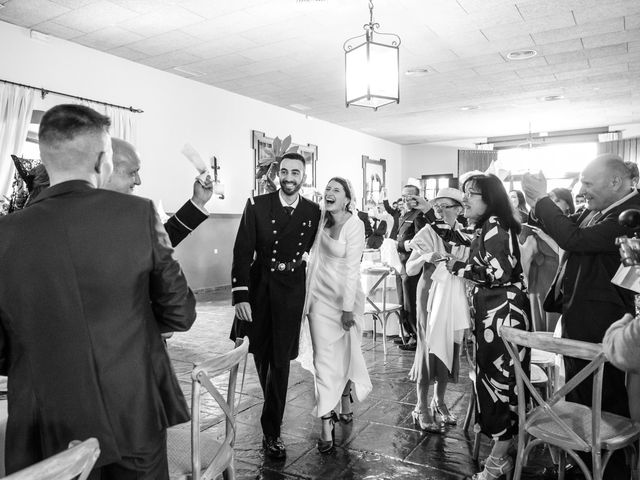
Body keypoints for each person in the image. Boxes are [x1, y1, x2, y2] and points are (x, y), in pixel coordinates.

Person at [0, 104, 196, 478]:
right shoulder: (138, 215)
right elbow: (180, 314)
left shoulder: (4, 235)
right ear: (102, 159)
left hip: (44, 420)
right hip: (131, 408)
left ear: (46, 156)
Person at [523, 154, 640, 478]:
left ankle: (609, 468)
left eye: (588, 183)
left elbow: (575, 239)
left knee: (605, 395)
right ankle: (583, 460)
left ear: (615, 182)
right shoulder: (597, 210)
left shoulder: (632, 213)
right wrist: (537, 204)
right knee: (580, 390)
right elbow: (567, 227)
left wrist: (541, 198)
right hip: (582, 312)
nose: (581, 190)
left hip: (607, 318)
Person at [415, 174, 530, 480]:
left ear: (489, 200)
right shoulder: (489, 225)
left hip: (501, 313)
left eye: (471, 194)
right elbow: (460, 240)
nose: (465, 199)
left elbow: (496, 271)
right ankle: (503, 452)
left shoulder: (494, 225)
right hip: (496, 311)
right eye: (464, 194)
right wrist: (432, 212)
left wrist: (457, 266)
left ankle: (497, 460)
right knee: (495, 381)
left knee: (499, 384)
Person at [229, 152, 321, 459]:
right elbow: (242, 251)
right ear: (276, 174)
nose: (290, 177)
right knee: (261, 354)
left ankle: (272, 431)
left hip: (291, 289)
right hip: (259, 288)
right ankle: (272, 412)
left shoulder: (313, 211)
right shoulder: (256, 205)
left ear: (303, 177)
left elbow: (312, 249)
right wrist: (240, 294)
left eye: (296, 172)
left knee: (280, 361)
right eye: (285, 171)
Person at [24, 137, 213, 248]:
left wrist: (198, 202)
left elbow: (154, 245)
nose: (138, 181)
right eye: (133, 172)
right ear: (103, 171)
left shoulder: (118, 216)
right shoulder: (34, 231)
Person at [305, 177, 372, 453]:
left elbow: (351, 269)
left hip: (345, 300)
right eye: (327, 189)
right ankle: (325, 421)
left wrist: (347, 309)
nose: (329, 193)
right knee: (323, 360)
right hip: (319, 299)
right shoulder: (319, 220)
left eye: (336, 190)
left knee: (344, 354)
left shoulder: (355, 225)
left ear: (347, 198)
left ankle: (345, 398)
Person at [405, 188, 470, 433]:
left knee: (451, 344)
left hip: (453, 294)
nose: (440, 210)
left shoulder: (463, 235)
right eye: (437, 205)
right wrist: (426, 257)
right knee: (429, 346)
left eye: (446, 205)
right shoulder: (427, 231)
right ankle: (420, 406)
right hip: (430, 293)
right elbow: (410, 268)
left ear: (459, 209)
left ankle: (439, 400)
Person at [395, 184, 427, 350]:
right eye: (403, 195)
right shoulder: (404, 214)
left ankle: (416, 336)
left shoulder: (419, 215)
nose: (405, 199)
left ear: (417, 197)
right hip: (401, 263)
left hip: (412, 264)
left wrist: (401, 245)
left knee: (412, 302)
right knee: (402, 302)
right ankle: (406, 334)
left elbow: (420, 241)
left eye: (409, 196)